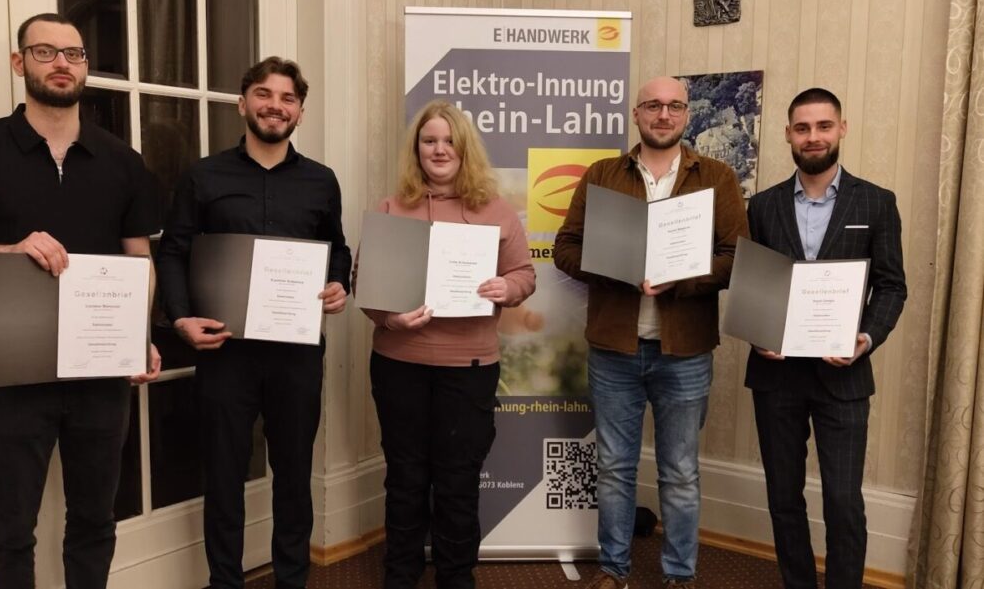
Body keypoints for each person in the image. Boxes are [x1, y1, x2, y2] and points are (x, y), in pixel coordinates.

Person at [0, 13, 161, 589]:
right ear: (19, 63)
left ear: (86, 69)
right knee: (10, 527)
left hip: (100, 374)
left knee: (96, 520)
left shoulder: (123, 161)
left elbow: (139, 261)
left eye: (73, 55)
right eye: (45, 52)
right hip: (13, 371)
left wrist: (135, 332)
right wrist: (7, 251)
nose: (61, 64)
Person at [155, 56, 351, 589]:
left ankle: (292, 580)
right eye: (264, 94)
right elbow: (172, 251)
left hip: (296, 353)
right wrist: (179, 318)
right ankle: (226, 582)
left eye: (288, 98)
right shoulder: (203, 175)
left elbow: (337, 249)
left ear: (300, 113)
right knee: (223, 476)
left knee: (293, 476)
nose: (275, 106)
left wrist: (340, 284)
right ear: (243, 104)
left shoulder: (321, 181)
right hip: (226, 352)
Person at [553, 76, 749, 589]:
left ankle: (679, 576)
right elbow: (565, 249)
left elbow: (736, 259)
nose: (664, 115)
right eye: (653, 106)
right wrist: (616, 268)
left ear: (687, 115)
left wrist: (682, 279)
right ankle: (614, 570)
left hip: (683, 352)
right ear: (636, 114)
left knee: (680, 472)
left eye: (675, 106)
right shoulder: (601, 175)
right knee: (615, 468)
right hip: (613, 349)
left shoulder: (718, 178)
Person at [355, 100, 536, 589]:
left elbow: (524, 273)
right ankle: (401, 576)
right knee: (406, 478)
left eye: (448, 140)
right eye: (429, 140)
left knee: (458, 483)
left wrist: (509, 288)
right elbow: (364, 284)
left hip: (470, 367)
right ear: (417, 149)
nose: (439, 149)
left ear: (464, 148)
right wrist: (388, 317)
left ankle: (456, 579)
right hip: (399, 364)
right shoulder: (392, 207)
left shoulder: (496, 210)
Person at [745, 88, 907, 589]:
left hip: (845, 374)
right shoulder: (763, 205)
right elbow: (753, 284)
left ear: (841, 128)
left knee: (842, 500)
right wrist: (758, 333)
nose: (812, 137)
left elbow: (892, 285)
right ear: (788, 134)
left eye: (822, 126)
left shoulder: (876, 202)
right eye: (802, 128)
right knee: (783, 497)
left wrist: (865, 337)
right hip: (777, 375)